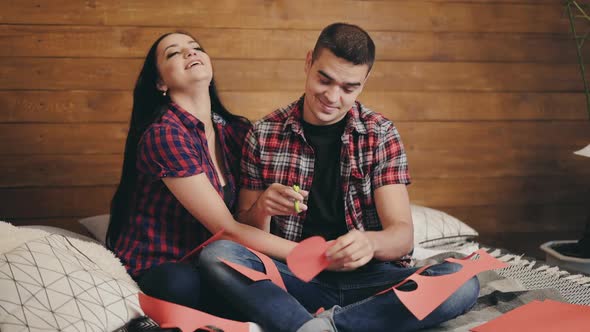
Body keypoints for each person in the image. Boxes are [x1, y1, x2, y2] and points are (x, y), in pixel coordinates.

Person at [199, 23, 480, 332]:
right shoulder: (263, 133)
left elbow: (402, 236)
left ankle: (321, 327)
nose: (332, 97)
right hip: (296, 277)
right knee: (219, 255)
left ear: (364, 82)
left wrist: (369, 243)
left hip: (372, 280)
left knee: (461, 281)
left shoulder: (380, 133)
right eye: (324, 79)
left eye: (349, 87)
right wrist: (263, 208)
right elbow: (246, 234)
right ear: (308, 63)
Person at [106, 31, 301, 312]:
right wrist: (308, 254)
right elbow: (228, 230)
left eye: (196, 47)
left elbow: (243, 232)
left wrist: (262, 209)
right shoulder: (165, 135)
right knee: (182, 284)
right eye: (173, 52)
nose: (190, 53)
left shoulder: (237, 132)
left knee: (254, 274)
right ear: (160, 81)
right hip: (167, 264)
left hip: (216, 259)